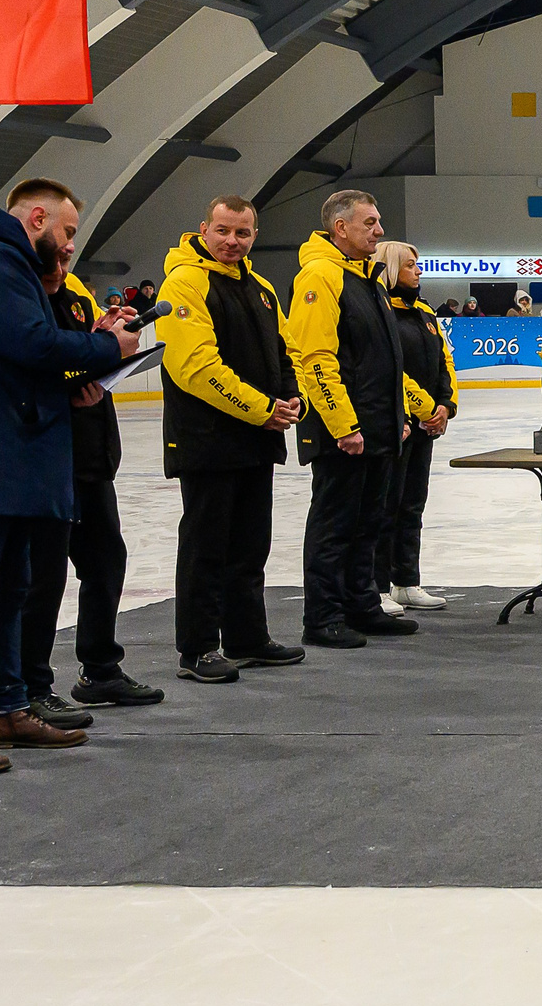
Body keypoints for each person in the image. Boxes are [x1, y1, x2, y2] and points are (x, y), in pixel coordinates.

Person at [0, 180, 140, 776]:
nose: (70, 246)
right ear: (37, 217)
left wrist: (73, 384)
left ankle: (8, 709)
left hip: (5, 455)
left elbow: (13, 363)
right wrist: (105, 346)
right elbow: (28, 343)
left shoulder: (5, 261)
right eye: (67, 232)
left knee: (10, 590)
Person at [161, 195, 307, 685]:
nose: (232, 241)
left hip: (256, 439)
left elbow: (286, 351)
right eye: (223, 230)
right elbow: (196, 368)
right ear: (204, 229)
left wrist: (293, 397)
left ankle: (247, 637)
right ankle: (198, 647)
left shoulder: (261, 288)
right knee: (205, 548)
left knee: (249, 545)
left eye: (242, 233)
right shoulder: (185, 282)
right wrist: (262, 409)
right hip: (207, 440)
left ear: (254, 237)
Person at [289, 190, 434, 650]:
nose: (379, 231)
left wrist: (396, 417)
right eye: (370, 223)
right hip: (345, 433)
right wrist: (343, 425)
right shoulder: (321, 276)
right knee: (335, 527)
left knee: (368, 523)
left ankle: (362, 605)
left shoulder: (365, 277)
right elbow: (316, 359)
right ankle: (323, 617)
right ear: (340, 227)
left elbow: (384, 361)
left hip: (377, 428)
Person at [16, 243, 152, 721]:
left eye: (67, 254)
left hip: (90, 457)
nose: (61, 265)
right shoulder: (21, 300)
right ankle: (29, 688)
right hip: (47, 460)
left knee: (105, 561)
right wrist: (73, 380)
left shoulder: (73, 297)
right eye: (54, 256)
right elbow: (37, 366)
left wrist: (104, 335)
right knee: (43, 578)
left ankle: (99, 669)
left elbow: (83, 354)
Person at [372, 241, 457, 615]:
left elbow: (444, 362)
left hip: (425, 426)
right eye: (409, 265)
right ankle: (376, 587)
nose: (418, 271)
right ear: (391, 268)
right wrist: (420, 409)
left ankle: (406, 581)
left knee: (412, 504)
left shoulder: (425, 313)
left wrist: (445, 406)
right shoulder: (382, 312)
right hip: (397, 423)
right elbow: (387, 369)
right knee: (385, 505)